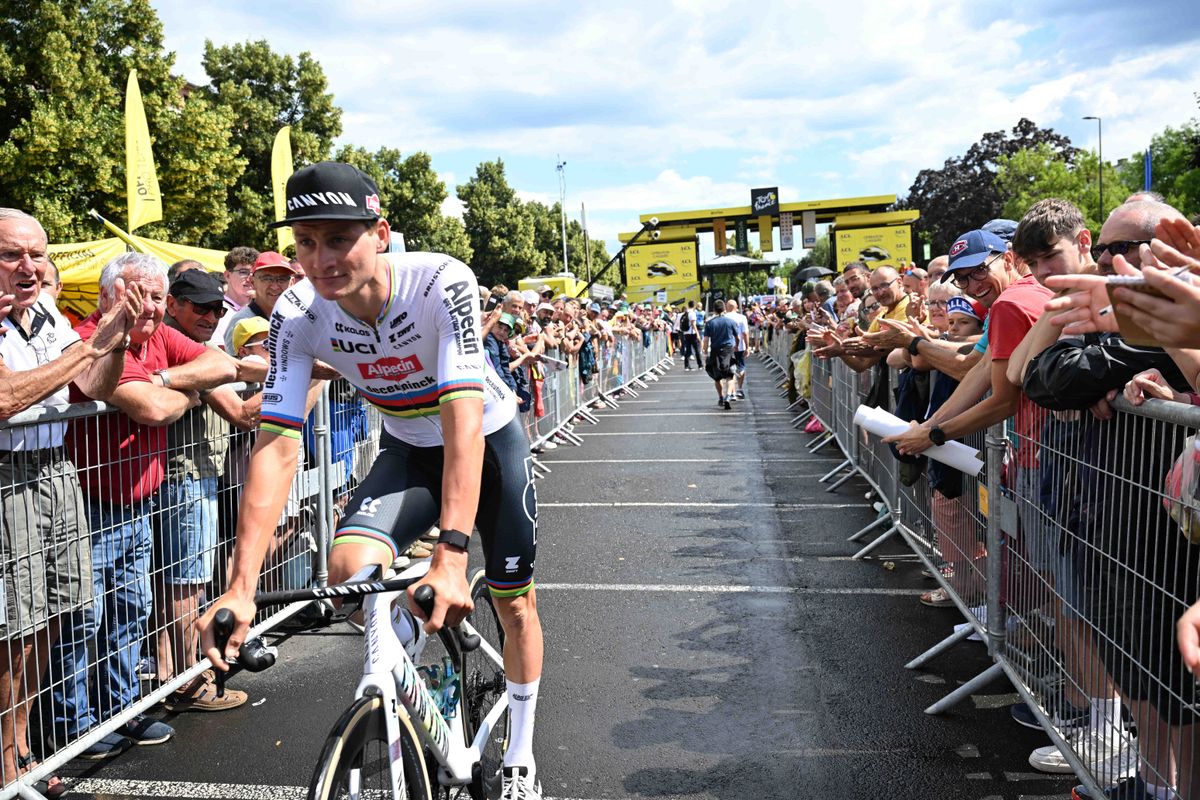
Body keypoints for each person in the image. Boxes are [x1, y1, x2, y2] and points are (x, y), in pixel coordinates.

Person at [198, 162, 546, 798]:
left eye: (338, 239)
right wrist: (240, 588)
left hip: (486, 444)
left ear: (379, 233)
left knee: (513, 601)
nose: (321, 259)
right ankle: (416, 662)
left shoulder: (442, 281)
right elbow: (276, 443)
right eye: (306, 242)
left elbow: (463, 421)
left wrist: (449, 552)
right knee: (348, 569)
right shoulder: (299, 311)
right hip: (409, 451)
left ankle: (520, 753)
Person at [50, 252, 267, 759]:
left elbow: (216, 361)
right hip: (90, 506)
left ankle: (121, 709)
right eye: (137, 296)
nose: (148, 308)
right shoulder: (90, 341)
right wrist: (183, 394)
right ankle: (75, 729)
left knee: (129, 610)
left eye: (153, 296)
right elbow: (149, 410)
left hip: (138, 504)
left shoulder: (157, 339)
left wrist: (169, 381)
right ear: (108, 297)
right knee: (85, 617)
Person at [0, 209, 141, 796]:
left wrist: (114, 339)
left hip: (56, 473)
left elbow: (99, 389)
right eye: (12, 255)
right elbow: (5, 398)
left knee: (58, 613)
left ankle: (23, 750)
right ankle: (7, 768)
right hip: (7, 479)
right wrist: (90, 349)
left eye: (38, 254)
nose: (29, 267)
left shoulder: (47, 314)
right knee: (15, 627)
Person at [154, 269, 253, 711]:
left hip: (189, 474)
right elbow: (244, 414)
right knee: (184, 585)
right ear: (172, 304)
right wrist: (307, 378)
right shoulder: (182, 351)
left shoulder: (194, 350)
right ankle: (186, 678)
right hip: (185, 477)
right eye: (201, 307)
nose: (212, 316)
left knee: (177, 584)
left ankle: (173, 676)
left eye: (218, 308)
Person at [222, 251, 298, 352]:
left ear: (291, 283)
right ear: (252, 282)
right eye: (267, 278)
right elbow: (235, 366)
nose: (275, 286)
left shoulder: (299, 317)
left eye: (282, 279)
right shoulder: (242, 322)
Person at [211, 246, 258, 349]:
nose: (250, 278)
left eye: (254, 273)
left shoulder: (263, 309)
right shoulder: (214, 309)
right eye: (244, 272)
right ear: (227, 275)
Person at [701, 300, 737, 409]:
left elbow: (706, 340)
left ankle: (721, 397)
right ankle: (728, 395)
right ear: (724, 309)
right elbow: (737, 337)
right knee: (730, 375)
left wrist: (705, 352)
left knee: (717, 377)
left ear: (714, 310)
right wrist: (736, 346)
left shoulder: (710, 323)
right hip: (728, 350)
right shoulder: (731, 321)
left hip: (715, 351)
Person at [724, 299, 749, 399]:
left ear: (727, 307)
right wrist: (747, 347)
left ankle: (732, 391)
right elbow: (745, 333)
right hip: (740, 347)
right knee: (741, 367)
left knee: (730, 368)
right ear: (736, 307)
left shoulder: (724, 317)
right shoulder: (742, 317)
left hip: (728, 346)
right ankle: (739, 388)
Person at [677, 300, 701, 370]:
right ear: (694, 305)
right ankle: (700, 365)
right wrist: (697, 334)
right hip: (692, 333)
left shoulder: (685, 313)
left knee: (687, 349)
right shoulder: (692, 313)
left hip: (686, 333)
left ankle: (686, 365)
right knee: (696, 349)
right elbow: (693, 324)